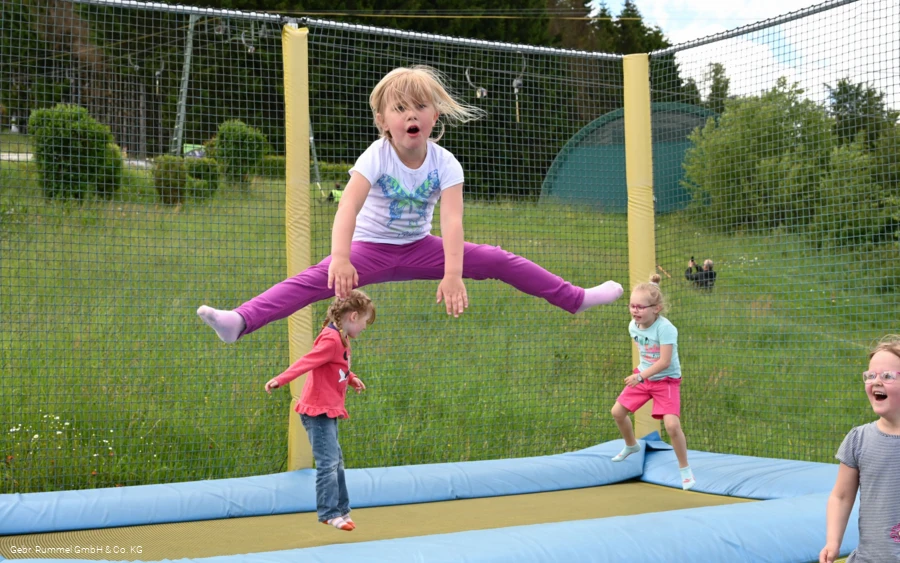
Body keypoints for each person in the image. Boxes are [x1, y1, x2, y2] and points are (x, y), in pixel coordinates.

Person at [197, 65, 623, 343]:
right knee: (314, 279)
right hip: (369, 249)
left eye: (420, 106)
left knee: (497, 259)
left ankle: (576, 298)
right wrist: (341, 259)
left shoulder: (445, 162)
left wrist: (454, 273)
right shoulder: (375, 156)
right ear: (383, 120)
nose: (410, 114)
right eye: (399, 108)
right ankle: (240, 321)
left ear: (434, 116)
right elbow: (346, 208)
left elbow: (453, 223)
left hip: (422, 248)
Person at [264, 289, 375, 532]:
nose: (365, 328)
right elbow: (308, 361)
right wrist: (280, 379)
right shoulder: (331, 338)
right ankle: (328, 512)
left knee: (338, 462)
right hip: (317, 412)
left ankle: (342, 509)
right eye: (365, 322)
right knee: (328, 463)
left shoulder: (342, 336)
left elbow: (337, 365)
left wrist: (351, 378)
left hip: (329, 409)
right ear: (353, 316)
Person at [819, 335, 900, 563]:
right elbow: (841, 496)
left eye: (887, 376)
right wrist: (833, 542)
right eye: (870, 375)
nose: (876, 381)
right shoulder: (859, 439)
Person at [610, 274, 695, 491]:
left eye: (640, 307)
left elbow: (665, 362)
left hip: (665, 380)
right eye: (631, 306)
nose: (635, 311)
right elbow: (643, 347)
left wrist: (640, 376)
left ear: (656, 309)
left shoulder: (666, 328)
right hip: (645, 376)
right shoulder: (633, 326)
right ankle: (631, 445)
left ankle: (684, 469)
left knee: (672, 425)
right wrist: (641, 373)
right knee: (617, 412)